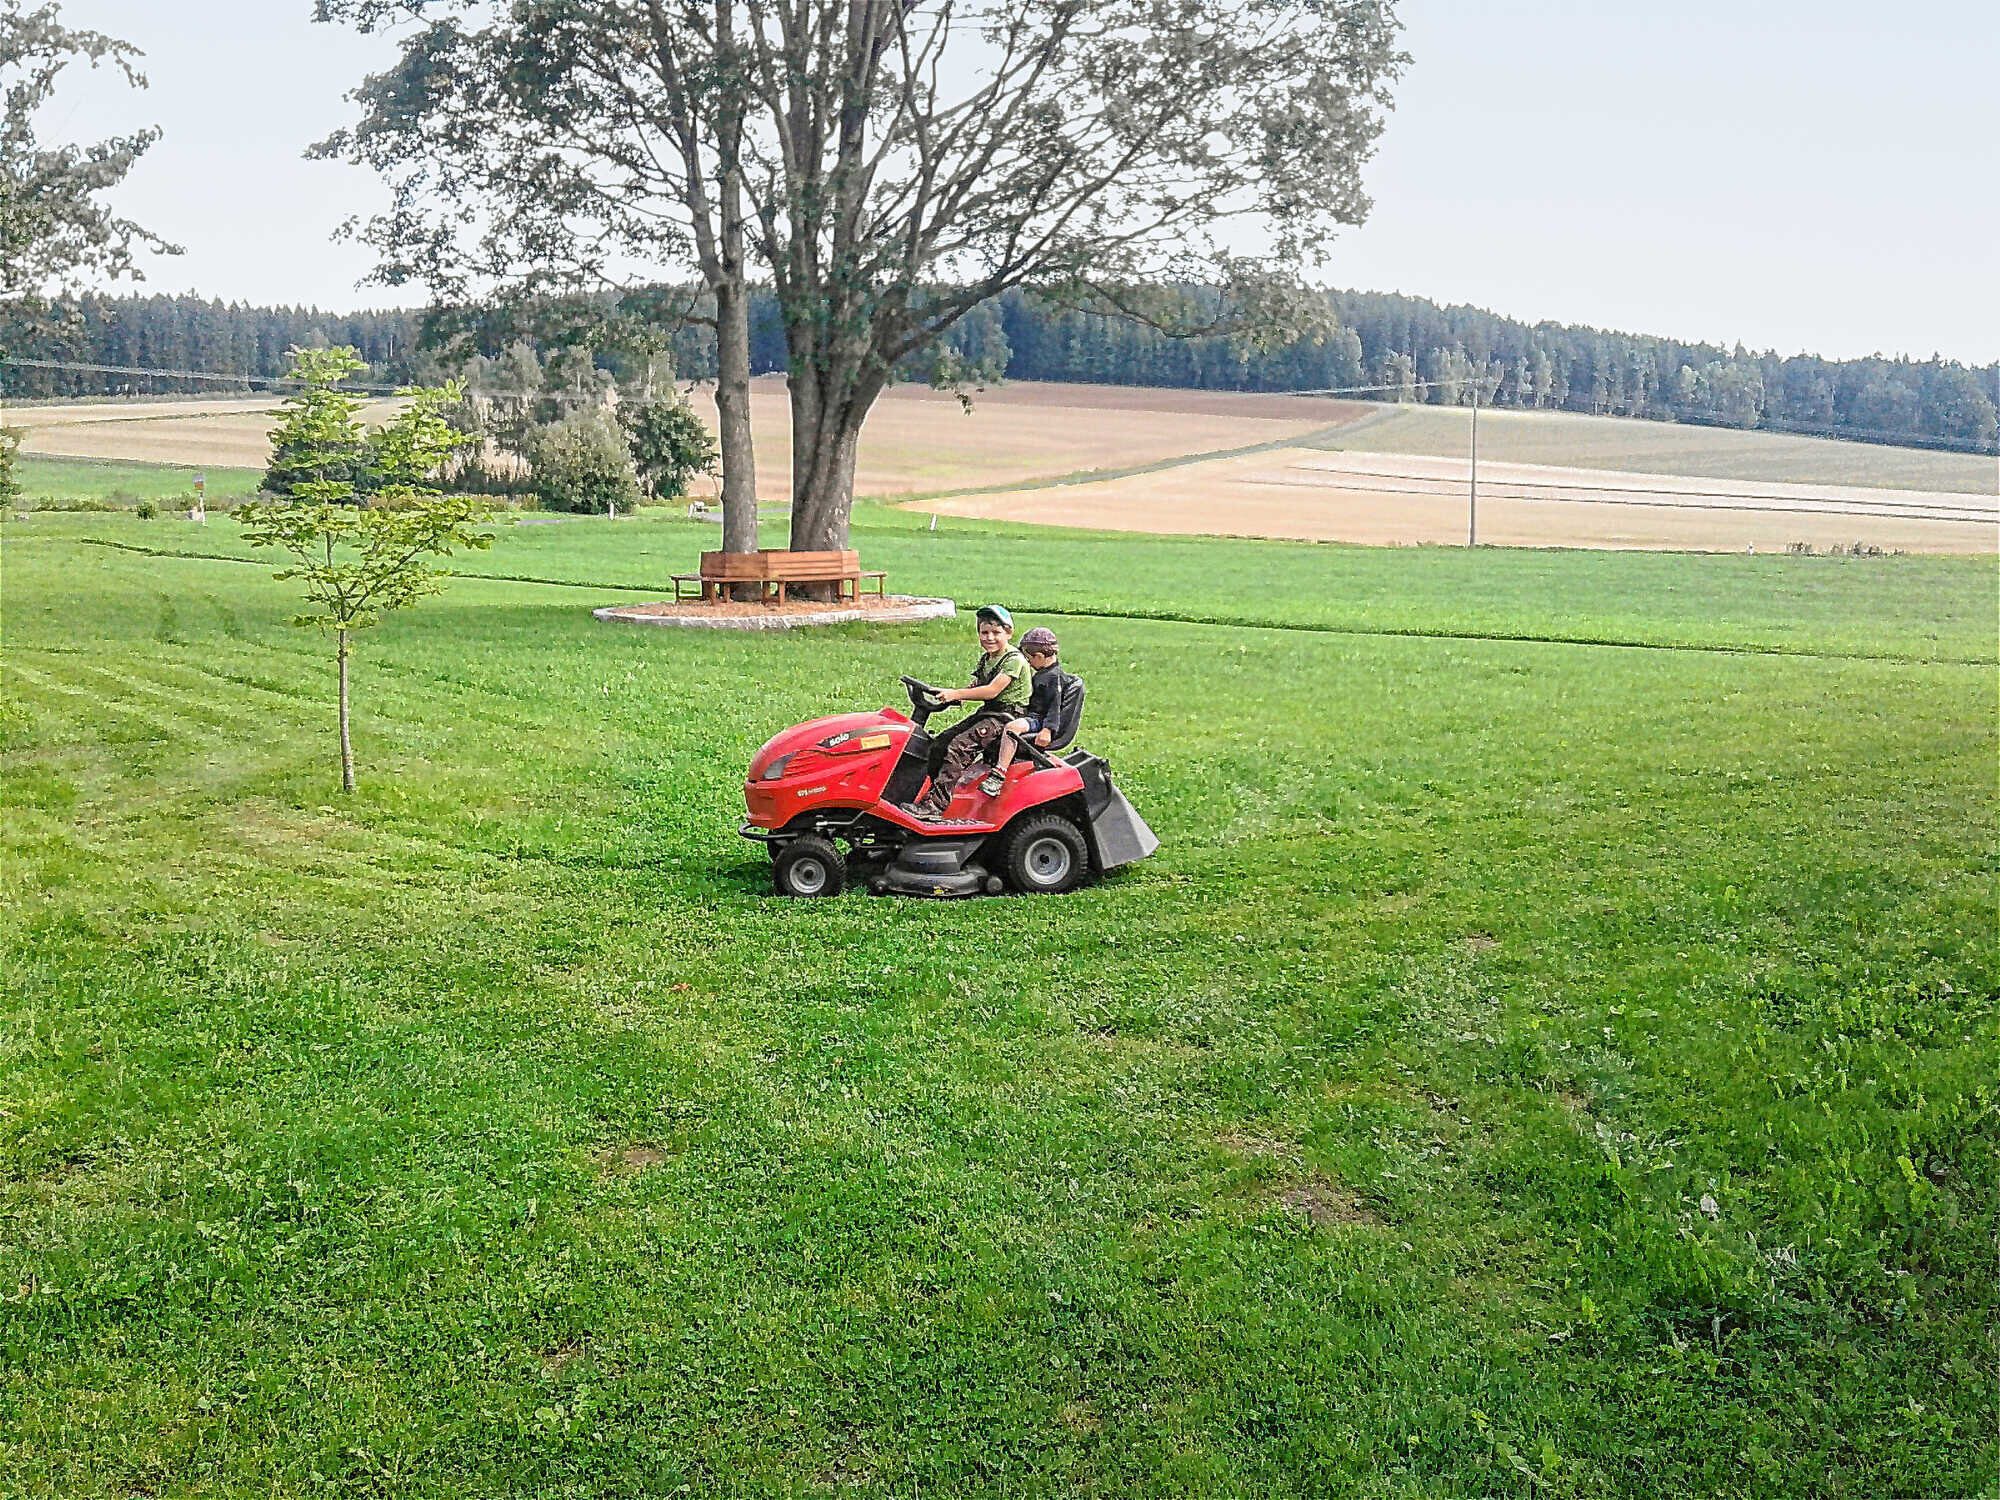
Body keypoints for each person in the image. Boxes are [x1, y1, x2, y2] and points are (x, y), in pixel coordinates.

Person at [906, 604, 1032, 819]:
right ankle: (925, 792)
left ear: (1009, 633)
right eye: (984, 632)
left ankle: (935, 806)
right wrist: (956, 694)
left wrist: (956, 693)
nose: (989, 638)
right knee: (939, 744)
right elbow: (978, 683)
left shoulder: (1014, 660)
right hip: (989, 713)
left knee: (958, 748)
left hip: (1006, 717)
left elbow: (992, 690)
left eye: (996, 632)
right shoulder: (988, 658)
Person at [981, 626, 1063, 797]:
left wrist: (1047, 730)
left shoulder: (1053, 677)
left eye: (1029, 658)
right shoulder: (1044, 673)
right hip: (1031, 715)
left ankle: (999, 775)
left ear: (1039, 657)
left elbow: (1055, 706)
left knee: (1012, 728)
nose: (1028, 662)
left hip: (1038, 719)